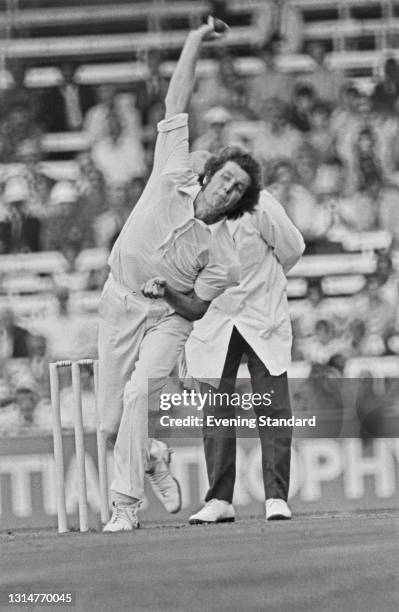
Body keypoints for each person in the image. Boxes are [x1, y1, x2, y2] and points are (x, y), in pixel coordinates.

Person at [99, 17, 262, 532]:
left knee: (138, 395)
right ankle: (151, 456)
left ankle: (124, 507)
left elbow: (193, 309)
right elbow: (177, 101)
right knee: (108, 428)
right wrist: (194, 40)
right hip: (117, 300)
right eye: (226, 179)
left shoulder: (224, 258)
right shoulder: (173, 169)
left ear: (239, 203)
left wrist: (168, 288)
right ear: (210, 174)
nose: (228, 190)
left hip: (168, 319)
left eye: (238, 190)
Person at [185, 188, 304, 524]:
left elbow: (293, 248)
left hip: (260, 313)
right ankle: (220, 499)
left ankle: (276, 497)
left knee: (273, 406)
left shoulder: (260, 203)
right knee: (216, 410)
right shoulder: (190, 209)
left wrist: (264, 286)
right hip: (214, 318)